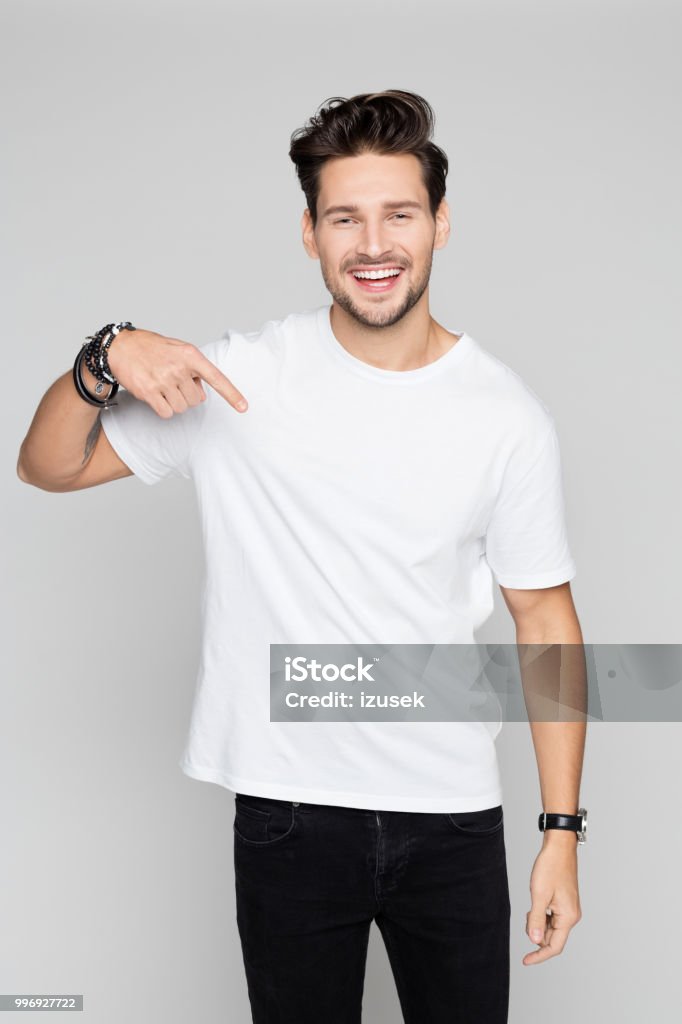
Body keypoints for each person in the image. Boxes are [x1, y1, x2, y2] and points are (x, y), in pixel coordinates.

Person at [17, 89, 585, 1024]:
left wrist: (562, 831)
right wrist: (104, 355)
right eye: (344, 218)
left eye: (399, 213)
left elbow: (546, 620)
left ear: (440, 223)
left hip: (451, 818)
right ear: (311, 234)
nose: (374, 244)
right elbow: (48, 466)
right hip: (287, 815)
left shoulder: (507, 417)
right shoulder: (238, 385)